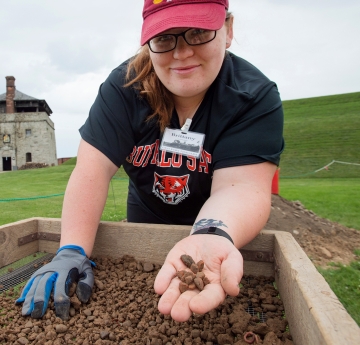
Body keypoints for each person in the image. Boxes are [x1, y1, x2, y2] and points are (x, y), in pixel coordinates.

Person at [16, 0, 284, 322]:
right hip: (145, 221)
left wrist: (210, 235)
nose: (181, 52)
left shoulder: (253, 96)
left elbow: (240, 187)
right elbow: (92, 169)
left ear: (227, 30)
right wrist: (72, 249)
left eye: (198, 32)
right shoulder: (124, 86)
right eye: (164, 38)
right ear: (148, 42)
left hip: (223, 233)